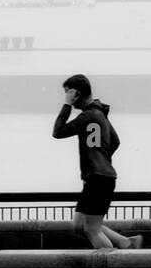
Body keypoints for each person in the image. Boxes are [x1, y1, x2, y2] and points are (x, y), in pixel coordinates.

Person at [52, 73, 142, 250]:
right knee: (79, 225)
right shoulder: (100, 114)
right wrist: (101, 158)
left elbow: (58, 131)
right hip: (100, 177)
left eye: (68, 93)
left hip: (98, 178)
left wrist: (66, 105)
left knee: (92, 229)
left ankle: (112, 265)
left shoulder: (86, 116)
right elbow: (115, 141)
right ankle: (127, 242)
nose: (67, 96)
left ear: (76, 93)